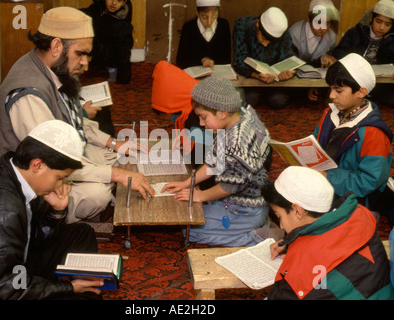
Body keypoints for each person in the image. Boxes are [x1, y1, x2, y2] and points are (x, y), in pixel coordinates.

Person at [0, 7, 154, 224]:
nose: (85, 63)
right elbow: (53, 157)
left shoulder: (52, 69)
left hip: (53, 162)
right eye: (80, 54)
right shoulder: (28, 93)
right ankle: (52, 221)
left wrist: (112, 143)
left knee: (118, 157)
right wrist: (117, 174)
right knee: (98, 192)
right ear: (56, 46)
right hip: (21, 189)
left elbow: (73, 120)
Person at [0, 120, 105, 300]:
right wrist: (68, 288)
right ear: (37, 165)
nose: (60, 185)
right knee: (78, 296)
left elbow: (30, 236)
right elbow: (10, 289)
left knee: (81, 233)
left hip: (9, 268)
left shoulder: (13, 172)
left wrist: (56, 212)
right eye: (59, 178)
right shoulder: (2, 210)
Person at [162, 76, 277, 246]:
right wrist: (187, 183)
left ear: (222, 112)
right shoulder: (240, 118)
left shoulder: (237, 142)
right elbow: (213, 162)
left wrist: (200, 195)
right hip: (245, 201)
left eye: (203, 117)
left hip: (245, 209)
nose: (201, 123)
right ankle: (252, 225)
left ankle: (256, 237)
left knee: (191, 231)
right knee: (191, 216)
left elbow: (230, 186)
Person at [262, 166, 394, 300]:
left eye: (279, 217)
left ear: (297, 210)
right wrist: (293, 244)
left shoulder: (299, 276)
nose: (281, 225)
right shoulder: (359, 216)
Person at [313, 53, 393, 218]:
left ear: (361, 92)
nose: (331, 95)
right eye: (331, 88)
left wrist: (328, 177)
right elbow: (315, 143)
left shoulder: (373, 133)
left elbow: (369, 181)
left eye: (338, 90)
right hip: (324, 179)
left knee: (313, 218)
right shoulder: (330, 112)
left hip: (353, 194)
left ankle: (366, 215)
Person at [329, 0, 394, 107]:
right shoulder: (356, 32)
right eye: (378, 21)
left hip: (381, 81)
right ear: (371, 17)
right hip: (355, 80)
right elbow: (339, 53)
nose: (382, 27)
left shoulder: (391, 37)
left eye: (387, 24)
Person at [232, 7, 295, 108]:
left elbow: (289, 58)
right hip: (251, 79)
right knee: (250, 99)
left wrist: (289, 72)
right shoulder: (242, 25)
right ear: (257, 24)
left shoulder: (283, 31)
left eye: (270, 42)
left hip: (274, 80)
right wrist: (257, 76)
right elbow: (238, 61)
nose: (265, 44)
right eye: (264, 38)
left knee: (278, 100)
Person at [82, 0, 133, 84]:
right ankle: (98, 63)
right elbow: (87, 13)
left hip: (114, 49)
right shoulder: (100, 6)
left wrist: (123, 79)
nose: (114, 3)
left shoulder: (123, 23)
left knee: (119, 46)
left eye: (119, 0)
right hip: (100, 42)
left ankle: (113, 68)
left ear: (124, 3)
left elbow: (124, 52)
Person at [176, 0, 231, 70]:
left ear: (219, 11)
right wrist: (202, 60)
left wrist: (212, 62)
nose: (209, 22)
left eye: (214, 16)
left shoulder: (224, 25)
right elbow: (181, 61)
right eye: (205, 17)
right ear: (197, 13)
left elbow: (226, 59)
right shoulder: (189, 27)